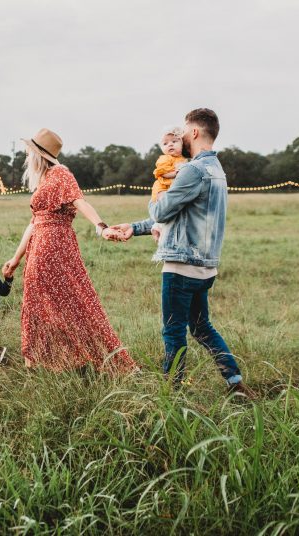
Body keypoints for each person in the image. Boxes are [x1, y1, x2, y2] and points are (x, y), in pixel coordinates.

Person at [109, 109, 255, 397]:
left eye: (185, 132)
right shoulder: (217, 171)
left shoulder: (192, 170)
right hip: (205, 267)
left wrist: (157, 196)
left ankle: (171, 394)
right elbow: (181, 217)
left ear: (196, 133)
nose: (181, 137)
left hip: (181, 266)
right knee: (202, 328)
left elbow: (163, 210)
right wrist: (135, 228)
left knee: (173, 331)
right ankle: (235, 383)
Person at [2, 128, 138, 374]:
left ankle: (79, 357)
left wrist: (101, 227)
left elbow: (80, 201)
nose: (26, 157)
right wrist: (15, 258)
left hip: (54, 245)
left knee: (72, 302)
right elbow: (33, 223)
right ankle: (42, 361)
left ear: (39, 155)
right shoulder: (44, 180)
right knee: (38, 303)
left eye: (29, 152)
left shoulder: (61, 174)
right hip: (40, 245)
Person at [150, 126, 188, 242]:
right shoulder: (165, 158)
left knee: (172, 209)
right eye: (165, 144)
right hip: (162, 187)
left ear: (182, 144)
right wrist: (176, 173)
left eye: (174, 141)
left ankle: (158, 228)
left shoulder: (183, 159)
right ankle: (157, 228)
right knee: (165, 206)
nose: (170, 145)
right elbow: (162, 173)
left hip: (171, 187)